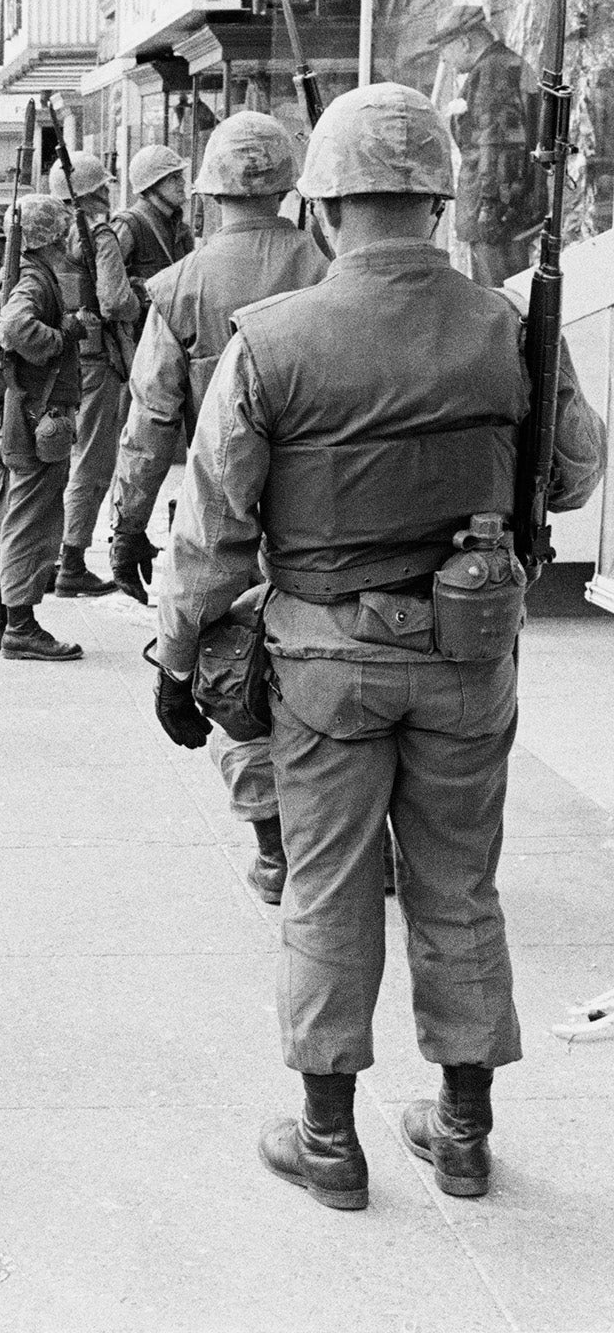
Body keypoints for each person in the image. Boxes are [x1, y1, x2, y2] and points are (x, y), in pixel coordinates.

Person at [152, 83, 606, 1212]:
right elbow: (573, 470)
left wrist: (174, 654)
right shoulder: (506, 324)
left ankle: (325, 1143)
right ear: (437, 205)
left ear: (323, 208)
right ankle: (458, 1134)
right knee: (457, 890)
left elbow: (211, 529)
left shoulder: (272, 340)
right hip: (467, 660)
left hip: (322, 666)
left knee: (324, 894)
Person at [109, 112, 328, 903]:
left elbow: (150, 420)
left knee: (229, 677)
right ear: (288, 188)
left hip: (222, 512)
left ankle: (274, 850)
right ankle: (355, 847)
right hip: (325, 513)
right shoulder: (328, 267)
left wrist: (126, 525)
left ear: (206, 194)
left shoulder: (180, 286)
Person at [0, 192, 85, 661]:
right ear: (53, 236)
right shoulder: (33, 279)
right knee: (30, 520)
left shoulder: (14, 274)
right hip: (32, 414)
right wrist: (65, 336)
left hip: (13, 414)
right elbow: (17, 329)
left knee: (7, 515)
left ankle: (6, 619)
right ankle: (20, 624)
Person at [47, 150, 142, 600]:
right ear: (90, 193)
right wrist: (138, 299)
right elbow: (115, 301)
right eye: (101, 186)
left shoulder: (45, 233)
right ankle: (72, 558)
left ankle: (47, 553)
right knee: (92, 458)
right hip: (94, 357)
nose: (108, 190)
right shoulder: (98, 232)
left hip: (55, 354)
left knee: (56, 455)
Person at [433, 5, 541, 287]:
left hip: (495, 221)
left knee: (499, 298)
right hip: (504, 215)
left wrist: (491, 213)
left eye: (445, 49)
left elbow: (498, 150)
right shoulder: (504, 65)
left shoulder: (491, 72)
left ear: (464, 42)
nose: (444, 59)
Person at [111, 144, 196, 284]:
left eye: (180, 176)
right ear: (151, 185)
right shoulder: (129, 226)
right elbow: (109, 285)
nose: (182, 182)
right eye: (173, 178)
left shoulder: (181, 230)